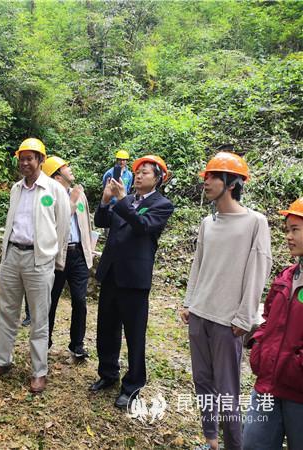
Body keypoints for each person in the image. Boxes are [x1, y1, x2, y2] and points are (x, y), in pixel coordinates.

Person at [180, 152, 272, 450]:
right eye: (206, 176)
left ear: (231, 183)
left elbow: (258, 270)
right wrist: (189, 301)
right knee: (203, 383)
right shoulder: (208, 222)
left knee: (228, 390)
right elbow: (198, 263)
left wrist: (244, 318)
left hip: (228, 321)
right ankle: (211, 442)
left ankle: (235, 445)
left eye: (212, 177)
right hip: (200, 314)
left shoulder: (255, 222)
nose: (205, 182)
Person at [0, 138, 70, 394]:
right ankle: (2, 361)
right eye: (22, 158)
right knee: (6, 312)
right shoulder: (16, 189)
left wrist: (57, 260)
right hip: (13, 256)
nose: (25, 163)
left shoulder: (54, 190)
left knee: (39, 319)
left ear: (41, 160)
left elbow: (62, 228)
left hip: (38, 259)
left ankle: (39, 371)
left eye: (30, 158)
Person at [90, 154, 174, 410]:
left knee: (135, 335)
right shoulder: (128, 200)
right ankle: (108, 372)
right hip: (112, 273)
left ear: (158, 178)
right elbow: (102, 221)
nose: (138, 175)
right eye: (137, 172)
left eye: (145, 172)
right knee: (106, 327)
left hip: (135, 278)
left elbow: (141, 225)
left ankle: (133, 385)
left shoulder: (162, 204)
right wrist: (105, 201)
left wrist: (122, 198)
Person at [242, 197, 303, 450]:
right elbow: (268, 320)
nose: (288, 236)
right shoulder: (287, 276)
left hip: (299, 391)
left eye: (295, 230)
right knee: (253, 444)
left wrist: (295, 366)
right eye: (287, 230)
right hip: (268, 384)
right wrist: (259, 346)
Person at [42, 155, 94, 359]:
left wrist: (89, 247)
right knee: (50, 301)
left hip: (78, 254)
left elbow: (86, 224)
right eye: (65, 167)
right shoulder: (47, 196)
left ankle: (77, 344)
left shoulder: (79, 193)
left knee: (80, 301)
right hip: (56, 256)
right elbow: (53, 223)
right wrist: (70, 203)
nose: (70, 169)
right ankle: (44, 341)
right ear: (56, 176)